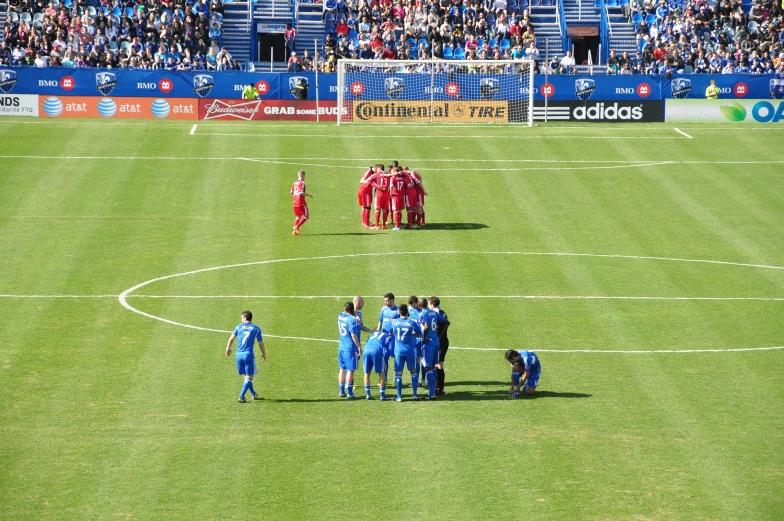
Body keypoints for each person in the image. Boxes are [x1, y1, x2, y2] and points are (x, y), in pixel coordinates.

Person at [225, 311, 266, 403]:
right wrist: (263, 353)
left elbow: (231, 338)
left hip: (238, 355)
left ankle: (254, 394)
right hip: (248, 355)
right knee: (249, 377)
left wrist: (228, 348)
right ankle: (241, 396)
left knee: (246, 377)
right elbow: (260, 343)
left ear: (244, 318)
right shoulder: (256, 328)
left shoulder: (239, 326)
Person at [390, 304, 423, 401]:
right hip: (409, 350)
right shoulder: (411, 323)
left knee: (399, 372)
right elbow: (419, 334)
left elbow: (391, 332)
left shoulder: (394, 322)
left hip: (398, 351)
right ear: (407, 312)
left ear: (399, 312)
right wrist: (412, 334)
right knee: (413, 371)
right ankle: (415, 395)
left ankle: (399, 396)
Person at [418, 297, 448, 399]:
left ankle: (431, 393)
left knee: (428, 367)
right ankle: (434, 390)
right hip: (436, 342)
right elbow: (446, 322)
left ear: (419, 305)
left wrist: (425, 338)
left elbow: (425, 327)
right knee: (435, 366)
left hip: (429, 344)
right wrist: (439, 336)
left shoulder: (422, 314)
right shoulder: (434, 313)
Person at [338, 301, 362, 398]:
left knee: (342, 369)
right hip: (350, 348)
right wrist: (359, 346)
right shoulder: (352, 320)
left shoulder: (340, 316)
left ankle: (341, 391)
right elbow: (353, 335)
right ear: (352, 310)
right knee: (351, 370)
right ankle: (350, 393)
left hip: (341, 347)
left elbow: (347, 313)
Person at [362, 331, 393, 400]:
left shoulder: (373, 334)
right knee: (382, 373)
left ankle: (368, 395)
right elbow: (389, 350)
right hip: (376, 351)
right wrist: (385, 360)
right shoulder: (389, 337)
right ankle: (382, 395)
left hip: (366, 350)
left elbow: (368, 342)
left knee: (367, 373)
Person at [377, 292, 400, 382]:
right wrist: (378, 332)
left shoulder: (397, 310)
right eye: (385, 301)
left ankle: (396, 378)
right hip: (384, 337)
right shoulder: (383, 309)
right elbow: (380, 321)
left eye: (387, 301)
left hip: (394, 338)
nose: (385, 303)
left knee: (396, 358)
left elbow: (400, 323)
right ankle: (384, 378)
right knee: (384, 358)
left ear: (392, 300)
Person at [432, 297, 450, 395]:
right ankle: (437, 387)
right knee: (438, 364)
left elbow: (446, 324)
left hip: (441, 342)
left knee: (438, 365)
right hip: (443, 341)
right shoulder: (443, 312)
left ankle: (440, 388)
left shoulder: (436, 313)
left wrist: (439, 336)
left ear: (432, 303)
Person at [290, 170, 313, 235]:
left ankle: (295, 232)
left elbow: (291, 192)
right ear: (302, 175)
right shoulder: (302, 183)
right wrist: (309, 195)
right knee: (306, 216)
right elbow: (301, 193)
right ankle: (296, 226)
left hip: (295, 202)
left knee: (298, 216)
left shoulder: (295, 183)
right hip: (301, 202)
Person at [357, 165, 378, 229]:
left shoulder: (373, 174)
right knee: (367, 207)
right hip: (365, 191)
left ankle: (365, 222)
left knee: (365, 206)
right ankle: (366, 224)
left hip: (365, 190)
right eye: (376, 170)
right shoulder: (370, 172)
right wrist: (367, 181)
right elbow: (361, 181)